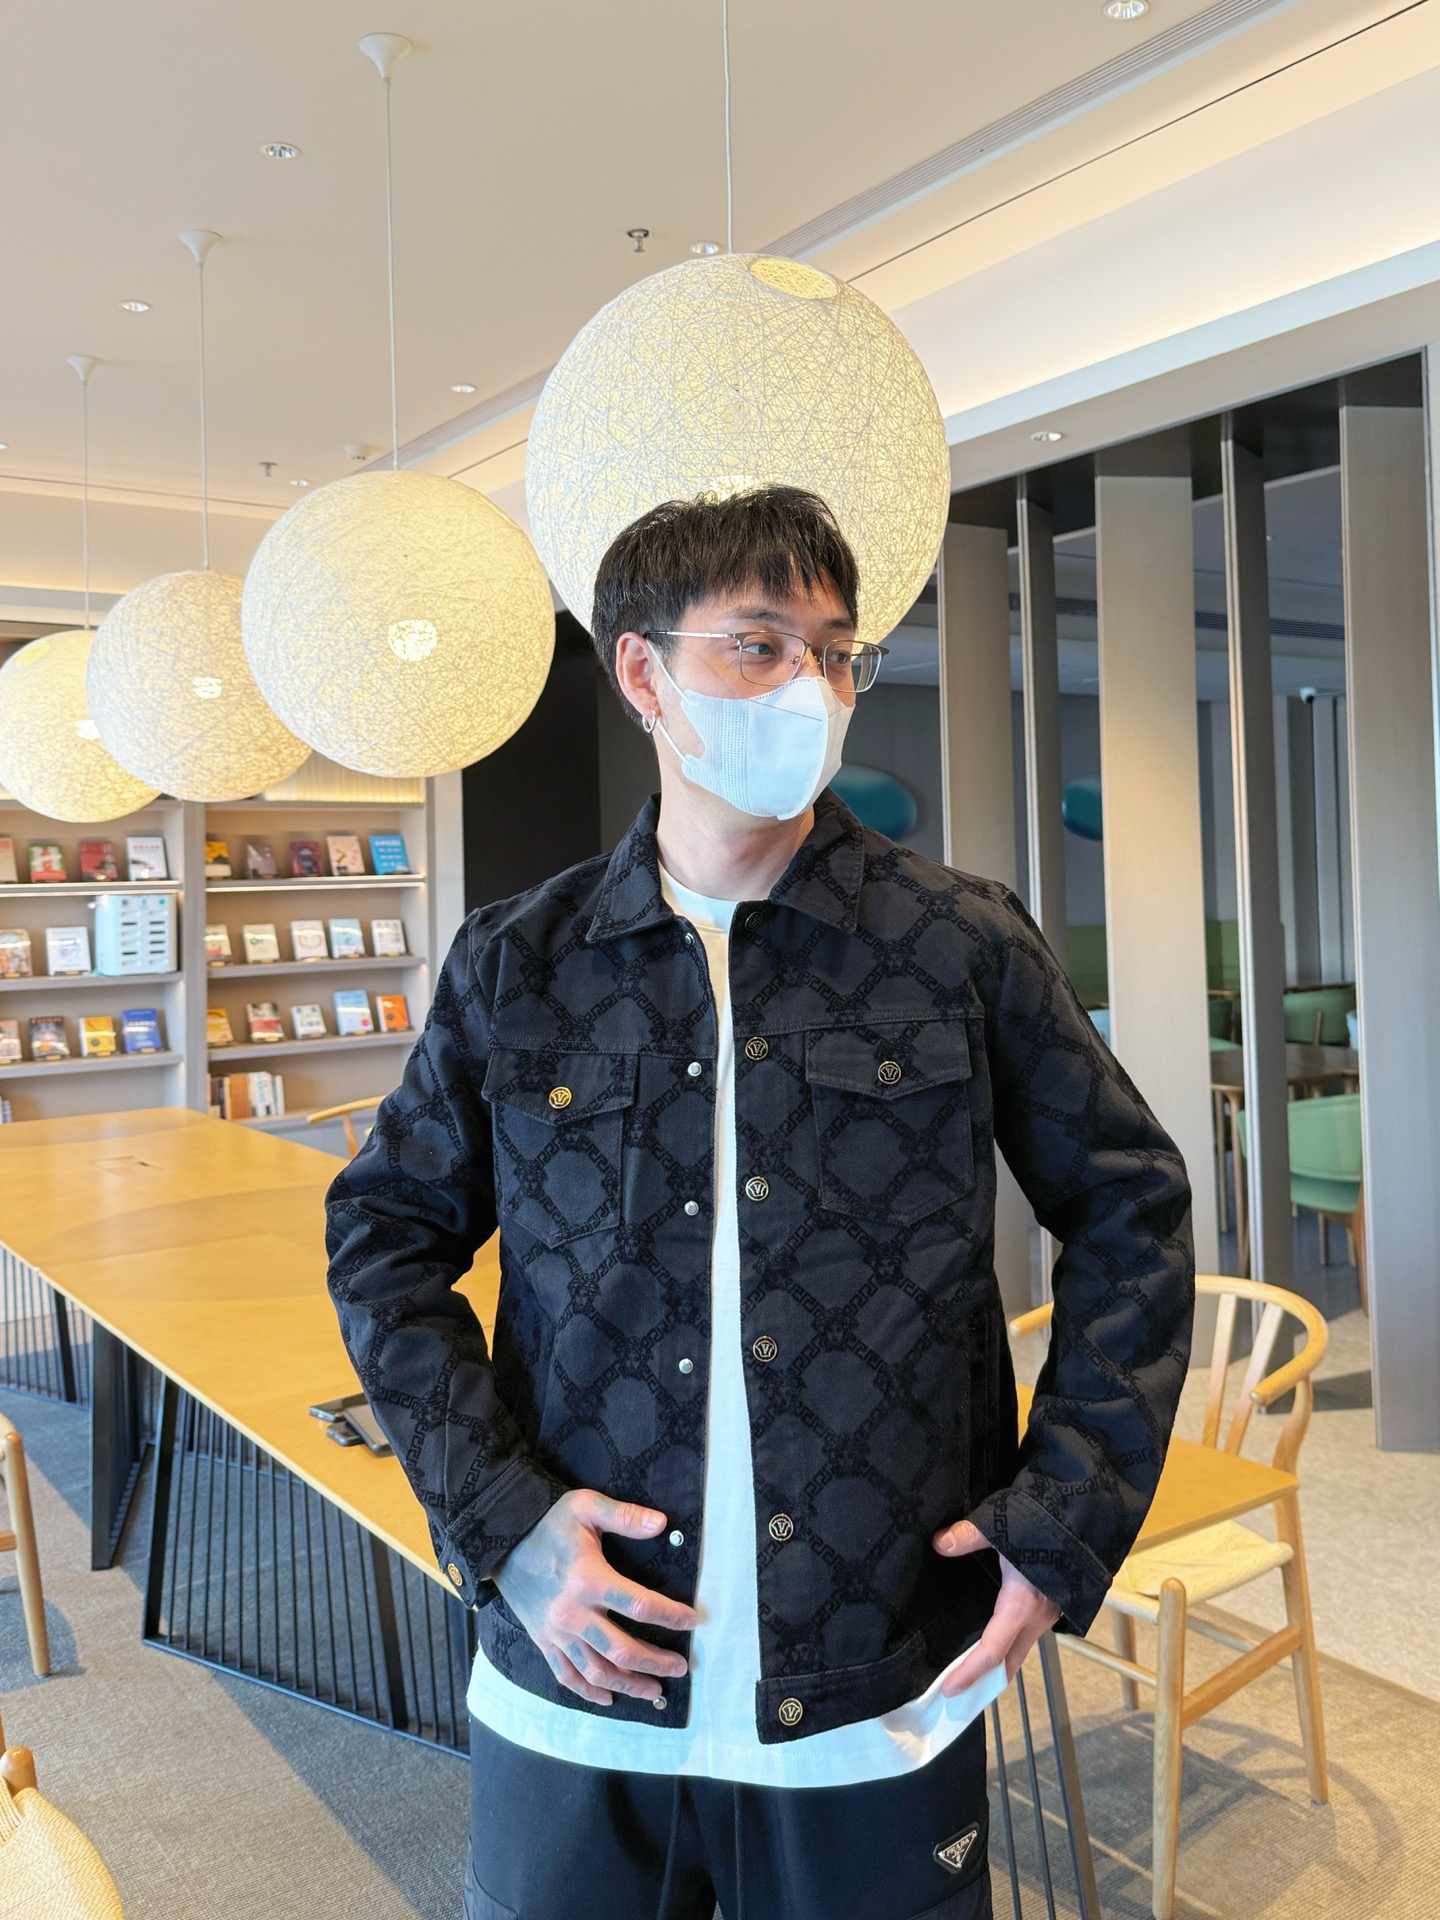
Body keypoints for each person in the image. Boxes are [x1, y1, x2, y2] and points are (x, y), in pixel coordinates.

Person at [325, 485, 1195, 1920]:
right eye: (759, 644)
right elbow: (384, 1241)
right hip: (581, 1680)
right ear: (642, 671)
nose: (812, 688)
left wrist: (1065, 1515)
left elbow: (1131, 1212)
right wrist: (498, 1519)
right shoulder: (518, 963)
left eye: (837, 652)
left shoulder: (958, 944)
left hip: (878, 1679)